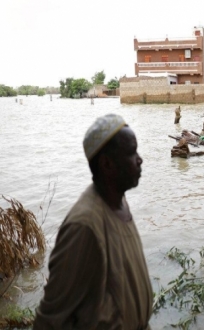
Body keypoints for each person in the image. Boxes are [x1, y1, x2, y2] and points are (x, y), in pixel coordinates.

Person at [34, 114, 153, 329]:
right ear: (107, 164)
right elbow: (50, 319)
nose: (139, 159)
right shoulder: (84, 226)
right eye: (131, 152)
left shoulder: (119, 201)